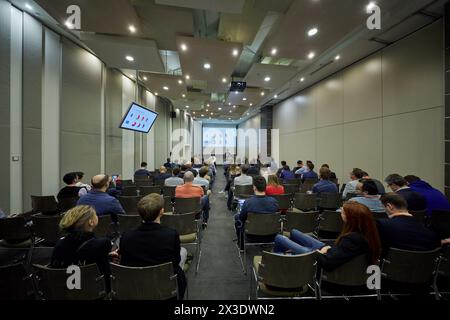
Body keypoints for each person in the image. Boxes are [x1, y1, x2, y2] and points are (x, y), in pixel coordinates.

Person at [273, 202, 381, 272]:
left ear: (351, 218)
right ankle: (292, 260)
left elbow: (328, 263)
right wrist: (328, 248)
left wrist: (319, 253)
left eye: (342, 212)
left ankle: (281, 265)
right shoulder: (367, 232)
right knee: (294, 232)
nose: (340, 213)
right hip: (333, 252)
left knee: (280, 238)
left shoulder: (352, 240)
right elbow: (342, 252)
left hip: (323, 259)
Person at [116, 194, 187, 299]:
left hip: (134, 285)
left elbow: (124, 259)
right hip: (163, 284)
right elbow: (175, 262)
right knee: (183, 251)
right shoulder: (171, 235)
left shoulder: (126, 236)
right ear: (161, 212)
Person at [50, 205, 113, 291]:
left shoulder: (59, 244)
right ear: (91, 222)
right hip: (94, 292)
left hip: (65, 292)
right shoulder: (103, 243)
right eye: (96, 215)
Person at [234, 176, 279, 249]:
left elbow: (241, 219)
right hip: (271, 235)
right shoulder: (274, 202)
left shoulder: (248, 202)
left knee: (237, 218)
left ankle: (241, 245)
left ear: (254, 187)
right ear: (265, 187)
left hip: (251, 235)